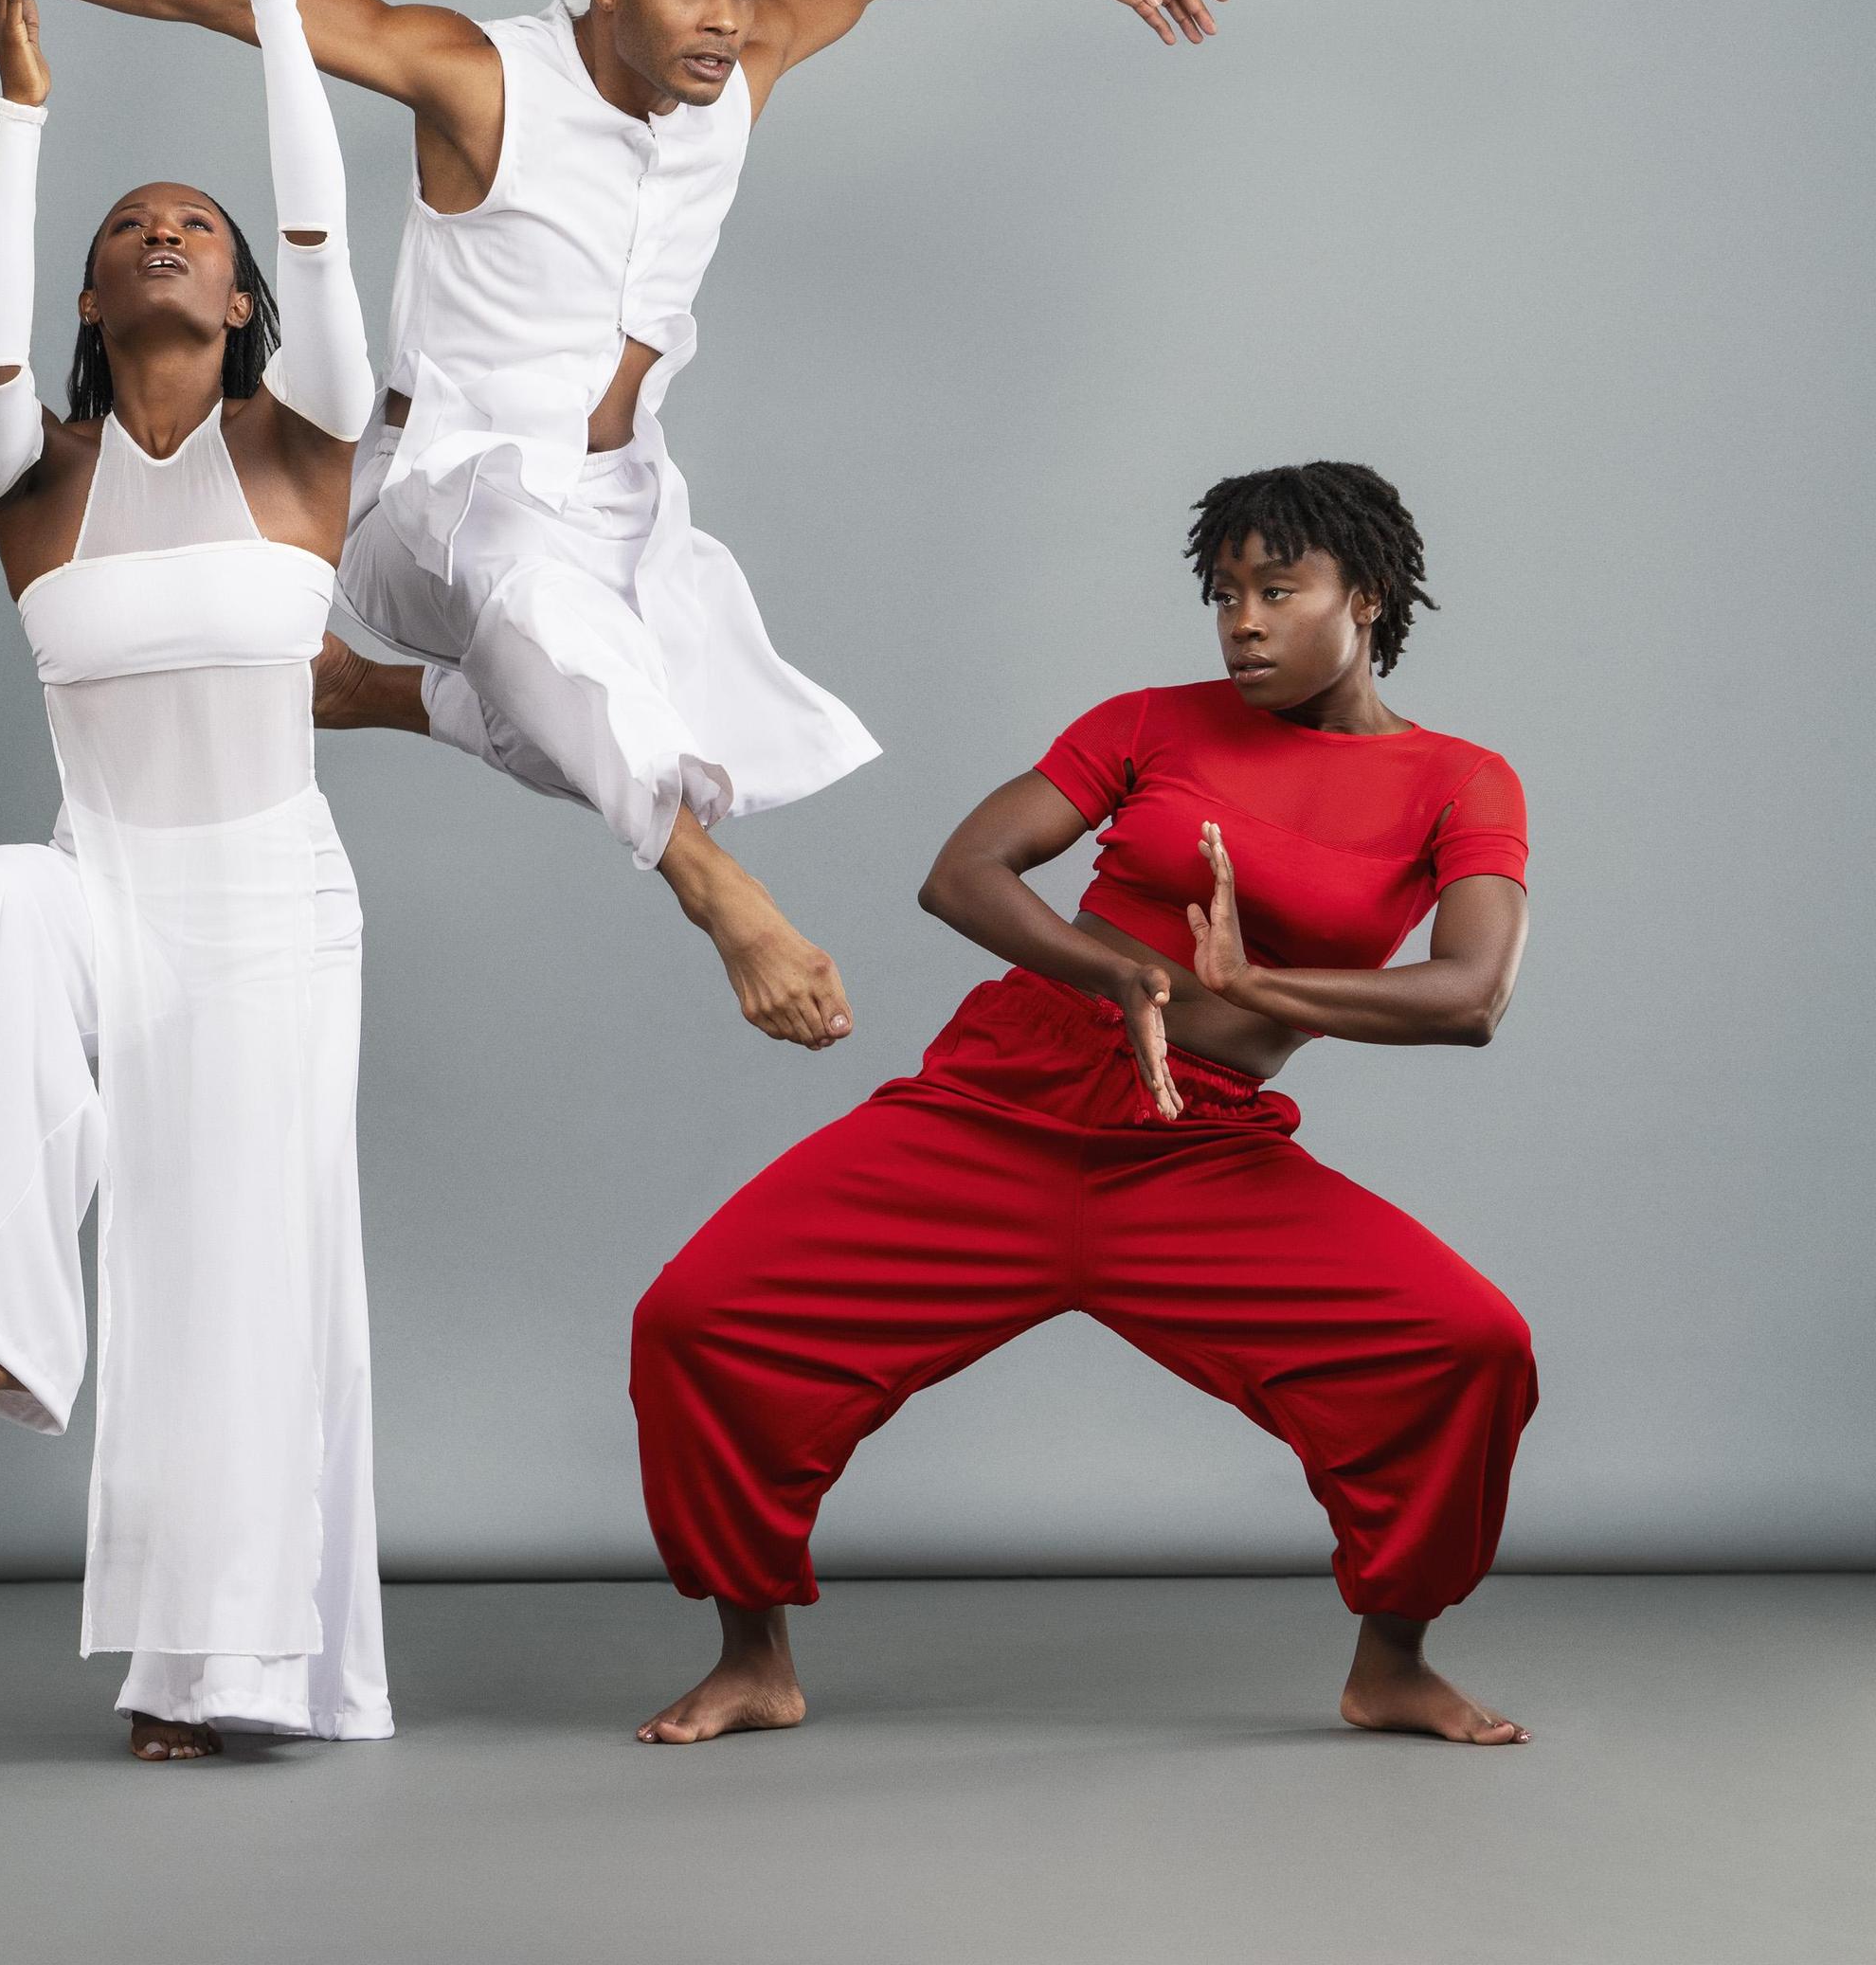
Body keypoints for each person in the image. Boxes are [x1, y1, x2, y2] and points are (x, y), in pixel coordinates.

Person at [0, 0, 1225, 1055]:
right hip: (435, 496)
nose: (726, 17)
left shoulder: (744, 59)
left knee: (624, 730)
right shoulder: (486, 79)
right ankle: (722, 901)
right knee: (542, 625)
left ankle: (384, 697)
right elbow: (243, 0)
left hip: (617, 500)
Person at [627, 461, 1536, 1748]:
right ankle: (751, 1654)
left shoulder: (1459, 780)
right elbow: (964, 875)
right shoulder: (1154, 723)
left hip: (1199, 1146)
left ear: (1369, 598)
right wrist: (1125, 971)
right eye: (1226, 595)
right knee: (701, 1320)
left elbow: (1473, 994)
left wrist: (1258, 983)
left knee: (1465, 1346)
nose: (1245, 623)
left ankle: (1393, 1661)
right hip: (1005, 1098)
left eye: (1281, 590)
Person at [0, 0, 389, 1759]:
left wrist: (269, 10)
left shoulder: (311, 440)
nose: (173, 234)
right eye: (130, 229)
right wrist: (26, 112)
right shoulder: (35, 475)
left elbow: (324, 240)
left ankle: (215, 1670)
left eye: (202, 230)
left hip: (269, 913)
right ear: (89, 295)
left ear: (246, 300)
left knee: (229, 1280)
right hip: (108, 881)